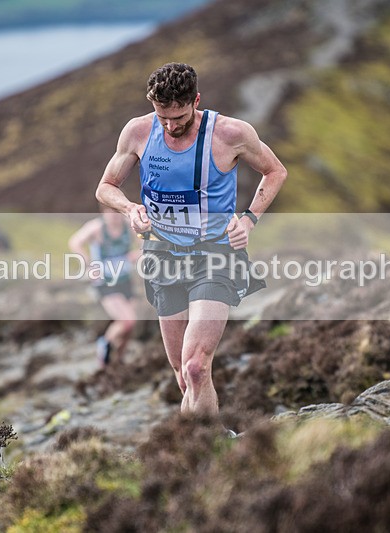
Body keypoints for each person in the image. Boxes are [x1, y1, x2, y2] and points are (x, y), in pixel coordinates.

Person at [95, 62, 287, 418]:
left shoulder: (230, 133)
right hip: (162, 255)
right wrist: (130, 209)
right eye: (162, 116)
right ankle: (206, 443)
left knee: (197, 366)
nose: (171, 125)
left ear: (196, 100)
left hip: (215, 255)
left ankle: (201, 452)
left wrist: (249, 219)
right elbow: (105, 187)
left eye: (179, 116)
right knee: (183, 374)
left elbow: (275, 171)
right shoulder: (137, 132)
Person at [68, 207, 139, 366]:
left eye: (117, 213)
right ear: (104, 212)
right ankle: (104, 346)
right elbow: (74, 242)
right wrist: (88, 263)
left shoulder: (129, 226)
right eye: (110, 213)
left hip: (125, 280)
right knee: (128, 321)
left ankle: (119, 360)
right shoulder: (97, 228)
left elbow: (147, 244)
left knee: (128, 329)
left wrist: (138, 254)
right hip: (105, 282)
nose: (114, 217)